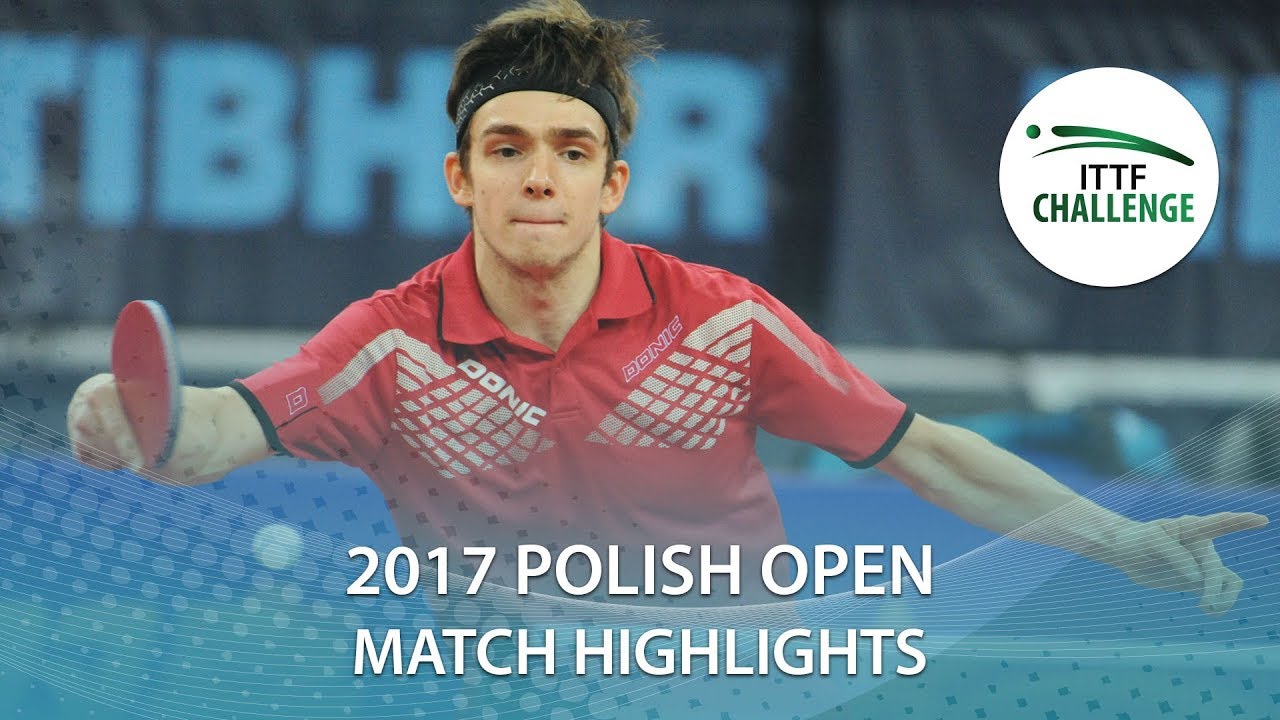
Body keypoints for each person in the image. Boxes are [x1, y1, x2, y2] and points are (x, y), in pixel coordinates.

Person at [68, 0, 1264, 614]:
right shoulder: (388, 345)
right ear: (460, 177)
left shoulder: (721, 321)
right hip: (497, 689)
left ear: (611, 183)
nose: (539, 175)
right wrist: (134, 414)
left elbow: (926, 453)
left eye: (571, 149)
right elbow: (217, 429)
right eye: (506, 147)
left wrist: (1118, 540)